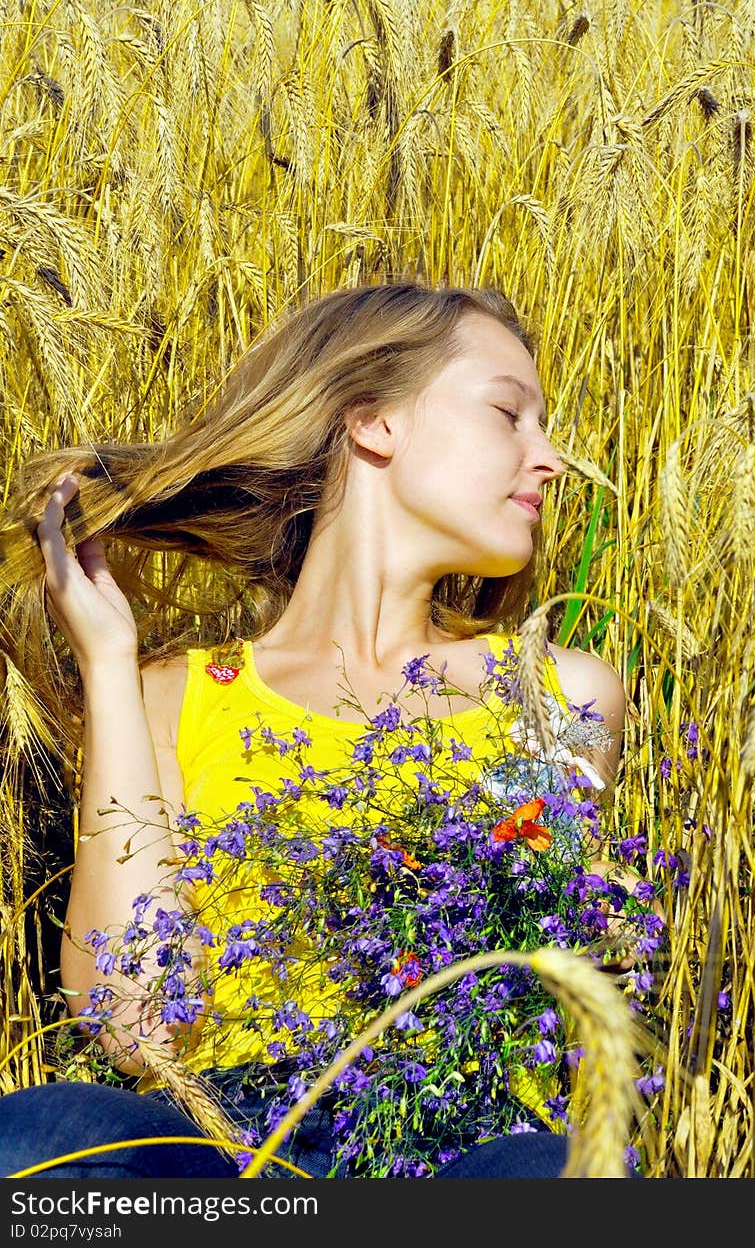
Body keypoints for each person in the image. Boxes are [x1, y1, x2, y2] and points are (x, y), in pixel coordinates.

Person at [0, 282, 636, 1180]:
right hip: (228, 1141)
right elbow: (136, 1024)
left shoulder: (556, 693)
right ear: (374, 421)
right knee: (34, 1136)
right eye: (510, 415)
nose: (551, 457)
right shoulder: (177, 695)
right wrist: (107, 663)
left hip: (459, 1138)